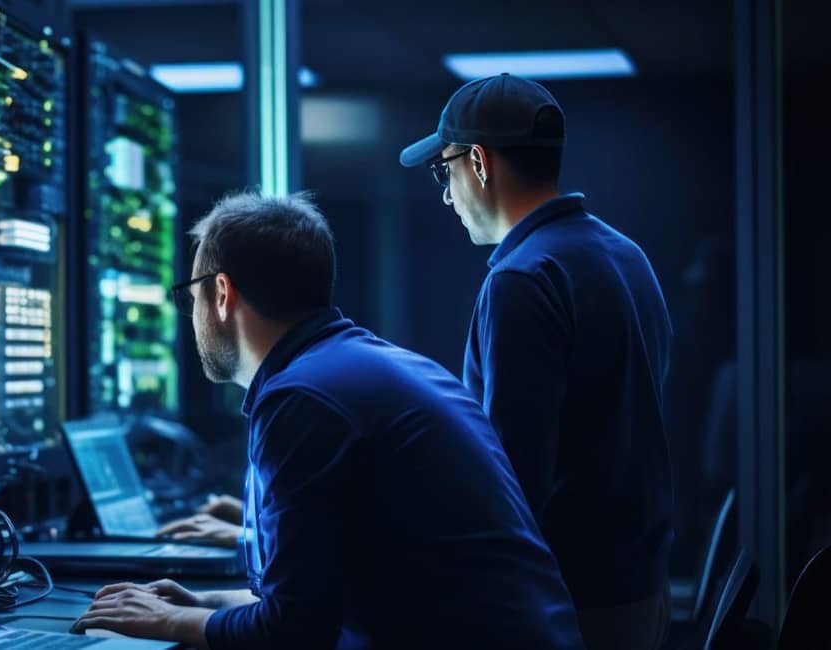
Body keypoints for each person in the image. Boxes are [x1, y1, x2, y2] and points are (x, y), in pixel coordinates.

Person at [73, 190, 584, 649]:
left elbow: (294, 631)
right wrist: (200, 605)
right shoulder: (362, 367)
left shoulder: (302, 400)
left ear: (222, 293)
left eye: (192, 294)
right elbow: (322, 597)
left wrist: (168, 623)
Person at [398, 73, 674, 650]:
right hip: (638, 586)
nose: (447, 194)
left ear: (477, 161)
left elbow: (511, 480)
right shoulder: (628, 256)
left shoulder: (522, 280)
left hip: (566, 601)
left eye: (443, 169)